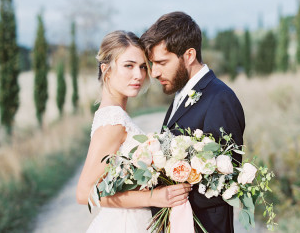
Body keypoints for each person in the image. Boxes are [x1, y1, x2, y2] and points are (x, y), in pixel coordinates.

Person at [76, 30, 192, 233]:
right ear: (107, 70)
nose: (138, 75)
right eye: (128, 66)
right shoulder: (114, 121)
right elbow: (84, 192)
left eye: (142, 67)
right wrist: (154, 197)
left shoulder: (115, 115)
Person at [140, 12, 245, 233]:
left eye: (161, 62)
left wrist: (165, 193)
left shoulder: (220, 98)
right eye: (152, 63)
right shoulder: (181, 94)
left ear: (189, 55)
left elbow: (227, 182)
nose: (155, 72)